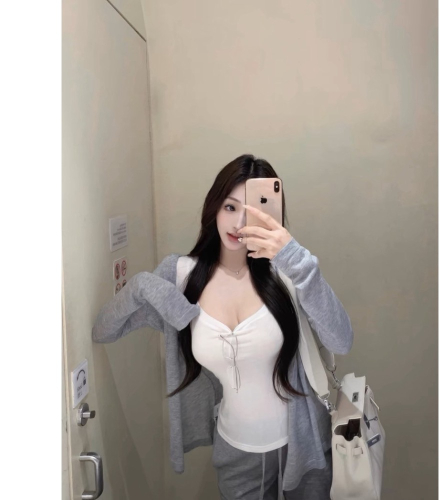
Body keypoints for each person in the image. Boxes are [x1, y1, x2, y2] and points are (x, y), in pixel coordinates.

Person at [92, 154, 354, 500]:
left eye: (251, 211)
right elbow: (104, 330)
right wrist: (140, 285)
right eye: (230, 207)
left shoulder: (289, 271)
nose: (238, 223)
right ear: (213, 207)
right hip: (235, 451)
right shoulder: (181, 276)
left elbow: (342, 340)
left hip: (304, 447)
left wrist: (294, 259)